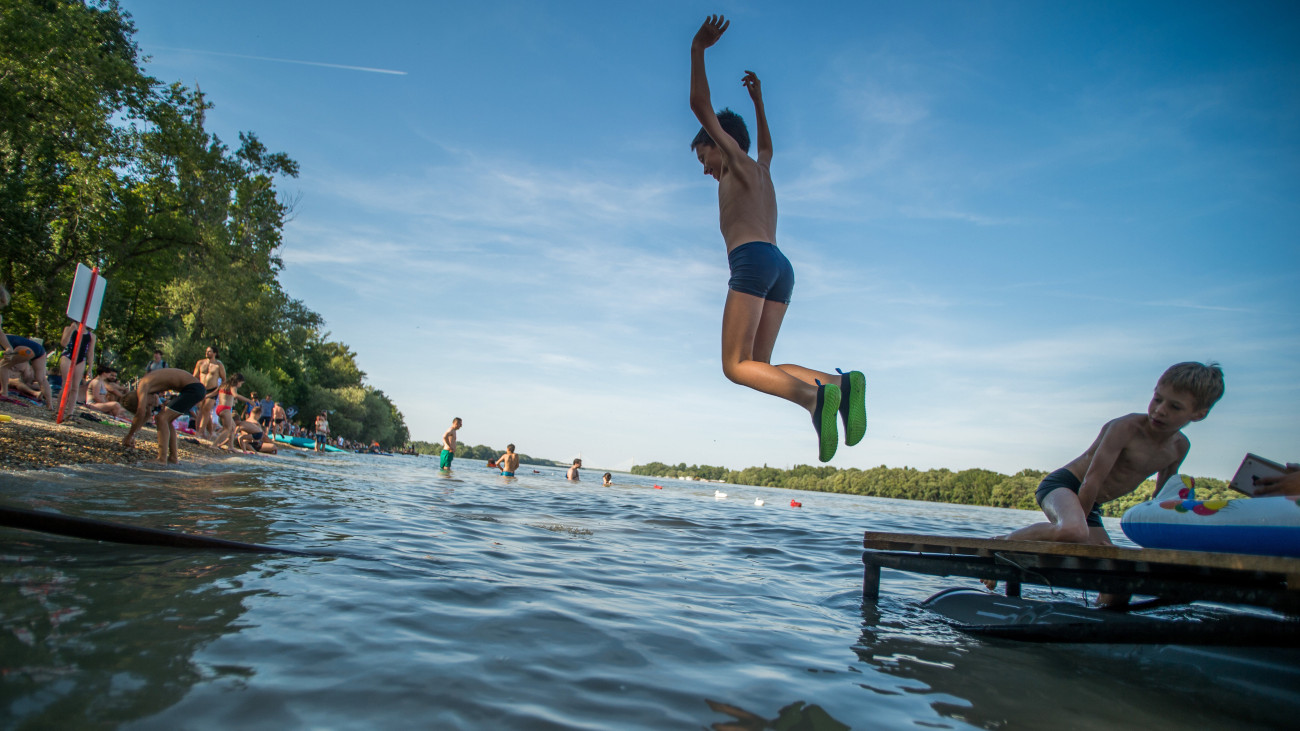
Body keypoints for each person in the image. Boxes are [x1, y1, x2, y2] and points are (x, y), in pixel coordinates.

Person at [689, 14, 865, 463]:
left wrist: (698, 49)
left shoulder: (735, 162)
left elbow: (699, 107)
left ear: (721, 142)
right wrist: (760, 100)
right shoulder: (761, 169)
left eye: (704, 153)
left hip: (751, 261)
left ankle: (813, 399)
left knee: (734, 366)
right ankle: (840, 386)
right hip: (781, 267)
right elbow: (768, 145)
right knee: (759, 365)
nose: (704, 166)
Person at [985, 362, 1225, 606]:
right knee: (1074, 531)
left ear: (1198, 414)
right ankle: (1003, 543)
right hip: (1065, 486)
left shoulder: (1179, 447)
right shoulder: (1126, 428)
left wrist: (1155, 547)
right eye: (1157, 399)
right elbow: (1092, 479)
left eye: (1174, 406)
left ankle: (1103, 613)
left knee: (1117, 576)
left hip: (1092, 504)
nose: (1160, 410)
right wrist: (1083, 532)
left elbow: (1160, 500)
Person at [121, 368, 206, 465]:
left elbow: (140, 412)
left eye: (147, 405)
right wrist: (134, 434)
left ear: (139, 399)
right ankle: (173, 458)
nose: (151, 406)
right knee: (166, 420)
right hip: (195, 389)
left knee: (161, 418)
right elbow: (147, 414)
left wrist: (129, 435)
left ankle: (161, 459)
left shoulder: (143, 385)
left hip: (193, 389)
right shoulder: (150, 388)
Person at [0, 335, 54, 409]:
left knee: (3, 366)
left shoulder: (2, 339)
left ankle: (4, 393)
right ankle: (50, 405)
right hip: (39, 350)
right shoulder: (9, 337)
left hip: (25, 350)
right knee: (41, 378)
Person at [191, 346, 225, 439]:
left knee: (206, 409)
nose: (207, 353)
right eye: (206, 351)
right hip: (201, 388)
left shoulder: (218, 365)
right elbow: (195, 376)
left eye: (209, 352)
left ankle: (199, 432)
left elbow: (224, 379)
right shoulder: (200, 363)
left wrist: (219, 390)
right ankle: (210, 432)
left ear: (214, 353)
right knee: (201, 410)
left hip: (213, 389)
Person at [213, 373, 253, 450]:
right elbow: (235, 395)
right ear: (238, 381)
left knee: (233, 427)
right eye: (241, 383)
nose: (240, 385)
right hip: (225, 409)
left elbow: (214, 393)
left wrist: (204, 396)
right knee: (227, 429)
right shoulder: (232, 386)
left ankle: (230, 447)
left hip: (219, 408)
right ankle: (214, 445)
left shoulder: (223, 385)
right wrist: (249, 400)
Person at [59, 322, 96, 405]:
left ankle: (70, 412)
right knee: (66, 385)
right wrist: (72, 329)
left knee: (75, 388)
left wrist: (90, 368)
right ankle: (58, 410)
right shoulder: (68, 328)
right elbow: (63, 343)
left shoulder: (91, 336)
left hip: (81, 359)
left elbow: (90, 352)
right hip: (68, 355)